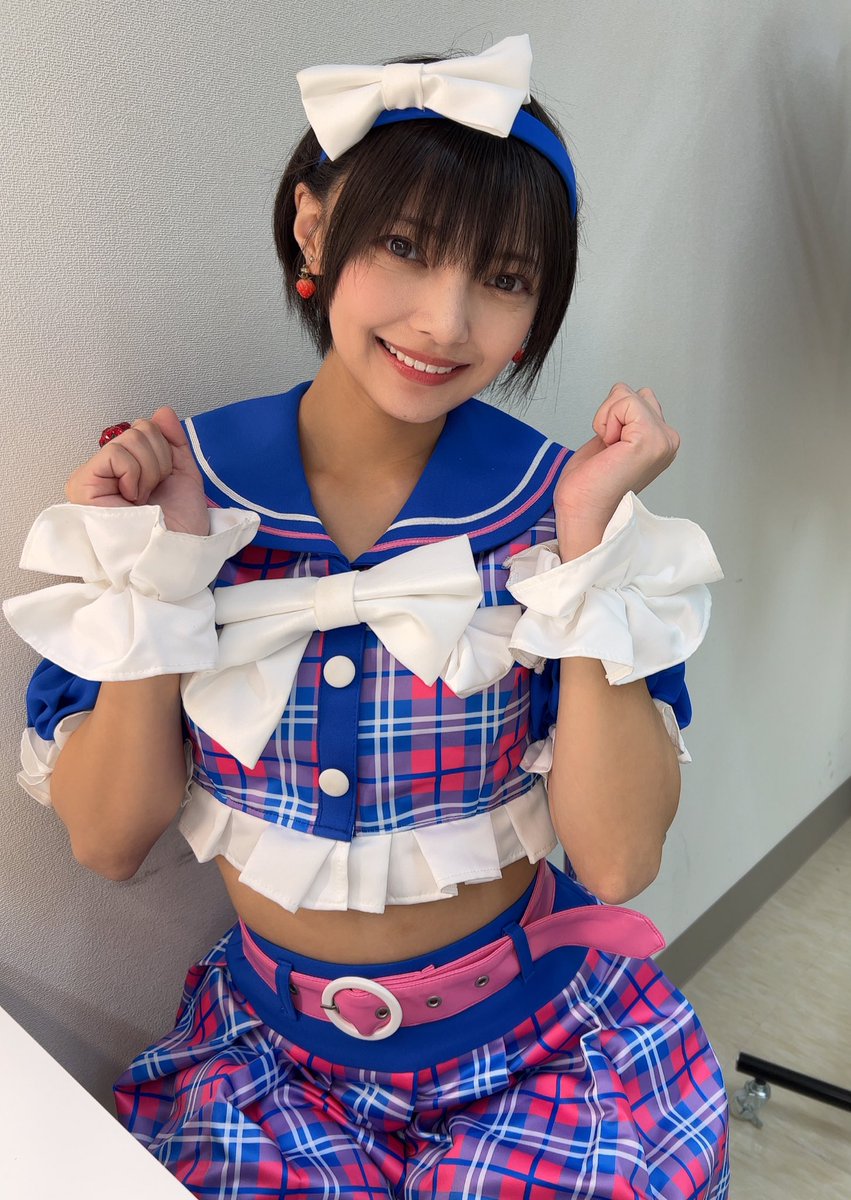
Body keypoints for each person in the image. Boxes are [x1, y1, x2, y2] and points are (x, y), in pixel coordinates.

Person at [4, 34, 729, 1200]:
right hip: (267, 1069)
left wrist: (589, 553)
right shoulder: (181, 490)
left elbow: (617, 856)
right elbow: (109, 841)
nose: (445, 321)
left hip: (534, 1057)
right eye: (403, 246)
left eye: (503, 278)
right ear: (312, 229)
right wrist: (165, 572)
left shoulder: (554, 512)